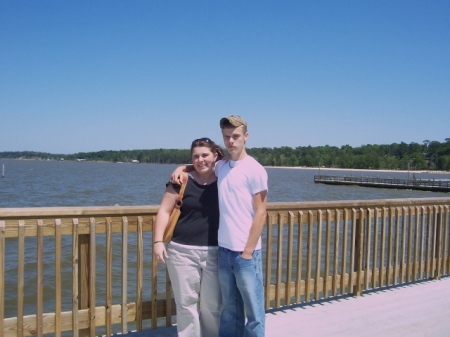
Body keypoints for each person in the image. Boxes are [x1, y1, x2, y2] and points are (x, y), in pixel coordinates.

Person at [171, 115, 268, 337]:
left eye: (235, 136)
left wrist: (247, 252)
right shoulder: (222, 166)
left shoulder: (255, 169)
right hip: (223, 251)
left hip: (246, 253)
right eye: (227, 137)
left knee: (253, 311)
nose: (231, 141)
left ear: (246, 136)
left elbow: (261, 212)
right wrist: (182, 168)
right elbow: (201, 165)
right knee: (229, 309)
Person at [153, 137, 225, 337]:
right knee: (186, 305)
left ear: (215, 155)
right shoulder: (180, 181)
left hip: (216, 252)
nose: (201, 160)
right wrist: (158, 241)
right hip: (181, 252)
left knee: (212, 306)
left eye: (205, 155)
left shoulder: (226, 178)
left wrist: (182, 166)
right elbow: (164, 211)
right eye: (195, 156)